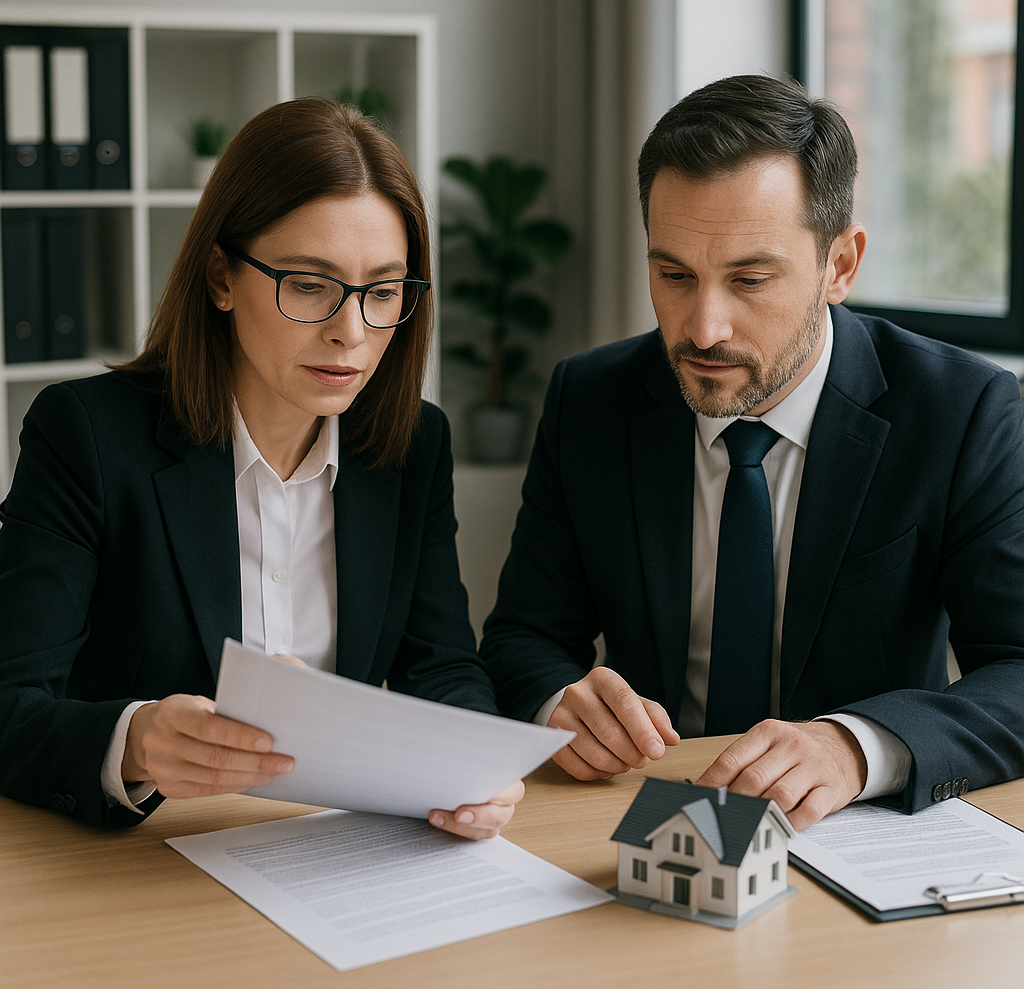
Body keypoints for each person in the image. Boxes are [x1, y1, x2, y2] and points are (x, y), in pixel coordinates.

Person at [480, 74, 1024, 831]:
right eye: (673, 275)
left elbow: (1020, 668)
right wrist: (559, 700)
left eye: (750, 279)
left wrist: (856, 746)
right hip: (643, 815)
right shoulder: (593, 400)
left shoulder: (963, 412)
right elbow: (524, 637)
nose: (702, 329)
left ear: (839, 266)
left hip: (855, 829)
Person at [0, 97, 522, 836]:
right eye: (309, 285)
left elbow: (440, 665)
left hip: (323, 846)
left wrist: (476, 763)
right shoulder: (85, 433)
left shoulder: (411, 443)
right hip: (139, 861)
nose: (351, 333)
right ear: (221, 277)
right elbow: (11, 705)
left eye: (382, 292)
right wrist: (137, 741)